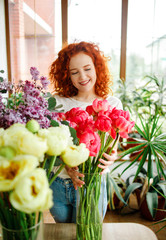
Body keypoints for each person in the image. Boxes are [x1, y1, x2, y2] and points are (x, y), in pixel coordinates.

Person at [49, 41, 123, 223]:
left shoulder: (112, 105)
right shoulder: (57, 102)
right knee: (63, 233)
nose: (82, 76)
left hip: (91, 185)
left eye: (87, 68)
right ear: (67, 75)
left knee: (86, 234)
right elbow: (48, 144)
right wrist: (67, 166)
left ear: (97, 68)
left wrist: (111, 158)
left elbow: (111, 148)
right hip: (58, 184)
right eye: (74, 72)